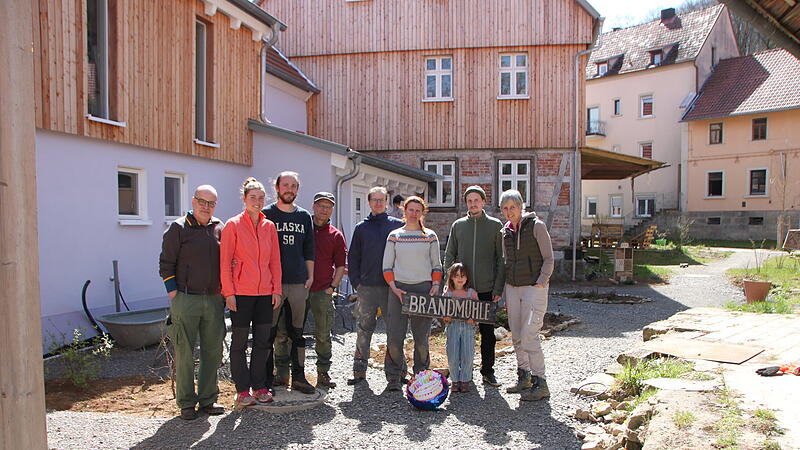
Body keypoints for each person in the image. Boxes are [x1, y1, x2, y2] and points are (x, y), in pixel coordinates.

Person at [159, 185, 226, 420]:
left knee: (212, 351)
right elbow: (165, 264)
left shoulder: (220, 228)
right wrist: (174, 295)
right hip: (185, 299)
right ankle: (186, 403)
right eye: (202, 201)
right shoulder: (178, 228)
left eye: (211, 203)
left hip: (214, 300)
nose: (206, 207)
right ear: (193, 201)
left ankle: (208, 399)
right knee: (185, 352)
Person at [220, 177, 282, 409]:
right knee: (238, 344)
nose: (257, 202)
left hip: (265, 294)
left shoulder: (269, 226)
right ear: (244, 199)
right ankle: (242, 390)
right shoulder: (233, 225)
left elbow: (275, 261)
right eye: (252, 198)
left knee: (263, 343)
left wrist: (276, 289)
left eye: (260, 198)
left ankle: (260, 387)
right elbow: (225, 263)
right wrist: (229, 293)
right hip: (241, 294)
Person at [443, 185, 505, 387]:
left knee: (487, 333)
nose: (473, 204)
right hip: (462, 290)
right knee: (458, 331)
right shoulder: (458, 225)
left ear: (483, 202)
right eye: (469, 200)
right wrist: (451, 283)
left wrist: (497, 289)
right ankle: (459, 375)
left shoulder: (496, 226)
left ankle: (487, 371)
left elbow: (500, 259)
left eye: (476, 200)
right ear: (466, 203)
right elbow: (449, 255)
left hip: (485, 288)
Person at [498, 189, 554, 402]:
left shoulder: (536, 226)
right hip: (513, 288)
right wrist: (505, 290)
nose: (509, 211)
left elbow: (549, 258)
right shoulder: (506, 232)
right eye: (505, 208)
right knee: (517, 335)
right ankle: (524, 376)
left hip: (533, 287)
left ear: (521, 207)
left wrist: (541, 282)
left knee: (530, 335)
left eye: (512, 207)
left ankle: (541, 382)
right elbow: (506, 262)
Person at [382, 196, 443, 391]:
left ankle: (421, 376)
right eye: (411, 209)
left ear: (422, 213)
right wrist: (393, 287)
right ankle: (394, 375)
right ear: (404, 211)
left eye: (418, 210)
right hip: (398, 289)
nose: (414, 213)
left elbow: (436, 265)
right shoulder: (394, 236)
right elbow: (386, 266)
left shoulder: (430, 236)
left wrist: (435, 285)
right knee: (394, 336)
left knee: (421, 338)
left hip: (423, 291)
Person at [263, 171, 316, 394]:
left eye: (294, 186)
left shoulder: (304, 217)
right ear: (277, 187)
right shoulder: (266, 214)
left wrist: (310, 275)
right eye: (285, 185)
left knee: (297, 332)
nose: (289, 189)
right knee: (269, 332)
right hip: (271, 284)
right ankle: (265, 379)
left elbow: (309, 249)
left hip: (297, 282)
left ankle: (300, 378)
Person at [347, 186, 404, 385]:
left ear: (387, 202)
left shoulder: (397, 226)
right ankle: (359, 371)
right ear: (369, 202)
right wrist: (357, 283)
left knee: (394, 331)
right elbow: (353, 257)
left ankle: (396, 374)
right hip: (367, 288)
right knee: (363, 329)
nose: (378, 203)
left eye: (382, 200)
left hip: (392, 288)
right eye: (375, 200)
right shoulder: (361, 228)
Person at [307, 192, 347, 389]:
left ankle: (323, 373)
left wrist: (332, 287)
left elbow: (341, 265)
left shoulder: (335, 235)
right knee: (288, 333)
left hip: (323, 290)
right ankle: (284, 373)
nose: (324, 209)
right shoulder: (303, 229)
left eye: (328, 206)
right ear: (313, 207)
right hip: (299, 288)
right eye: (320, 205)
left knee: (323, 334)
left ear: (332, 210)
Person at [442, 263, 478, 393]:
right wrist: (446, 317)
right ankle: (455, 380)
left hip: (468, 327)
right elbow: (442, 311)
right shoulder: (448, 293)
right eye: (456, 275)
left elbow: (478, 312)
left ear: (467, 277)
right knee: (452, 354)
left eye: (462, 276)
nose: (460, 278)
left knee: (467, 354)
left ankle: (465, 380)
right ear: (451, 277)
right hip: (453, 326)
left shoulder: (471, 293)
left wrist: (473, 319)